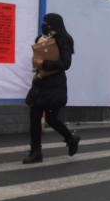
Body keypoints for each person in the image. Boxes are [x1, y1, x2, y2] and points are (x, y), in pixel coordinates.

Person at [24, 13, 80, 163]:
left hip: (54, 85)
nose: (43, 25)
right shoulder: (40, 39)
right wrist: (37, 62)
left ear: (54, 25)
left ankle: (71, 139)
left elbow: (65, 64)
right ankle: (36, 152)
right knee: (34, 118)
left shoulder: (64, 40)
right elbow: (35, 58)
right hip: (40, 83)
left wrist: (44, 64)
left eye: (46, 22)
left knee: (52, 119)